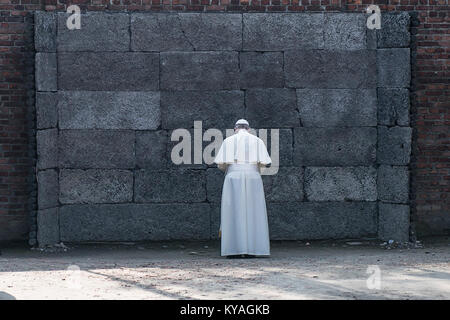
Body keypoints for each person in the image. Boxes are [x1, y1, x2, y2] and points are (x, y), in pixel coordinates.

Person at [214, 119, 272, 258]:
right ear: (248, 129)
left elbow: (221, 164)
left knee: (233, 211)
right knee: (254, 212)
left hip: (233, 177)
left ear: (235, 129)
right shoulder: (257, 141)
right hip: (253, 177)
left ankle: (233, 250)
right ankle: (254, 249)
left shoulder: (228, 141)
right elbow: (266, 163)